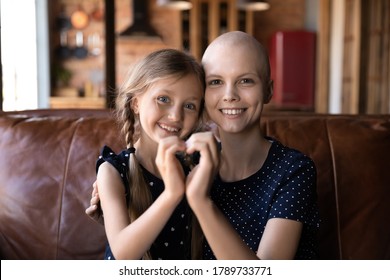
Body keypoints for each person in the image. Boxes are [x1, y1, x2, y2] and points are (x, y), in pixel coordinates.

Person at [87, 31, 320, 260]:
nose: (230, 95)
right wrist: (114, 198)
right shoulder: (192, 162)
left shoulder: (292, 170)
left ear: (268, 90)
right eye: (216, 82)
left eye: (246, 80)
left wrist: (199, 200)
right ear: (205, 95)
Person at [92, 48, 205, 260]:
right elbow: (123, 254)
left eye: (189, 105)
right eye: (163, 99)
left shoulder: (199, 165)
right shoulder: (113, 171)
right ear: (136, 103)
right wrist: (172, 194)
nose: (175, 115)